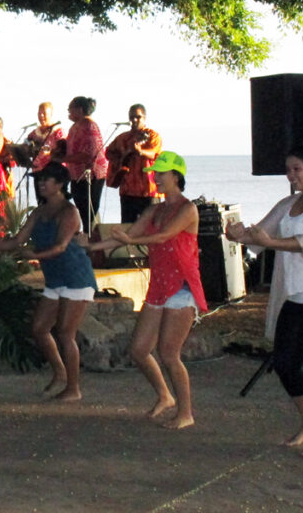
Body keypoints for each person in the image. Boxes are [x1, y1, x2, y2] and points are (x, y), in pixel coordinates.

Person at [226, 143, 303, 459]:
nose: (291, 176)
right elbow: (260, 234)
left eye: (297, 169)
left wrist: (270, 241)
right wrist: (237, 234)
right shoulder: (288, 203)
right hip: (294, 297)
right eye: (288, 170)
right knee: (285, 362)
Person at [88, 151, 205, 429]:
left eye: (161, 173)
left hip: (182, 286)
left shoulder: (188, 209)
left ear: (176, 176)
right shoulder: (154, 209)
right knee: (139, 349)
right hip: (160, 286)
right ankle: (166, 396)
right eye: (155, 173)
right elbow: (125, 236)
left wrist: (131, 238)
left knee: (168, 353)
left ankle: (186, 413)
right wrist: (89, 247)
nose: (155, 177)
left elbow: (163, 236)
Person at [0, 162, 96, 400]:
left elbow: (60, 246)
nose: (40, 184)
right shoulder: (39, 212)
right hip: (55, 277)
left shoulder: (70, 211)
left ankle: (74, 388)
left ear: (59, 184)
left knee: (66, 333)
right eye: (39, 181)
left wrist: (33, 256)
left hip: (75, 276)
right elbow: (17, 240)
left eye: (45, 180)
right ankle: (60, 373)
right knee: (39, 329)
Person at [105, 104, 162, 224]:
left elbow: (154, 154)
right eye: (131, 117)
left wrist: (140, 151)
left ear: (144, 118)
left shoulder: (152, 136)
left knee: (150, 228)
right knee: (127, 228)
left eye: (138, 117)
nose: (134, 120)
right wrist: (121, 159)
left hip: (148, 190)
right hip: (127, 190)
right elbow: (108, 153)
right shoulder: (122, 138)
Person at [64, 96, 108, 233]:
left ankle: (92, 244)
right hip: (77, 176)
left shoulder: (89, 125)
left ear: (80, 109)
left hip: (91, 176)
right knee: (82, 211)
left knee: (89, 213)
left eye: (70, 109)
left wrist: (63, 159)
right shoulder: (75, 126)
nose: (68, 112)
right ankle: (88, 240)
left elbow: (87, 154)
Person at [26, 101, 65, 201]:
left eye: (44, 114)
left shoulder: (58, 131)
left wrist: (51, 152)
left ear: (51, 115)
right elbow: (26, 145)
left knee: (53, 204)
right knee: (41, 202)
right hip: (38, 172)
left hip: (53, 174)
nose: (41, 116)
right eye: (39, 113)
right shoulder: (34, 133)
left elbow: (63, 150)